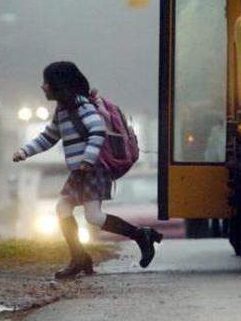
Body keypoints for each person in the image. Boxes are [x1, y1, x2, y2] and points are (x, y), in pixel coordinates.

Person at [12, 61, 162, 279]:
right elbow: (49, 137)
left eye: (46, 82)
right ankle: (79, 258)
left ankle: (141, 235)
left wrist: (87, 160)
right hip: (80, 171)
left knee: (93, 216)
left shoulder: (82, 106)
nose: (43, 87)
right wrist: (25, 152)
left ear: (58, 84)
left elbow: (97, 132)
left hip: (93, 169)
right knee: (62, 209)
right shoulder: (62, 110)